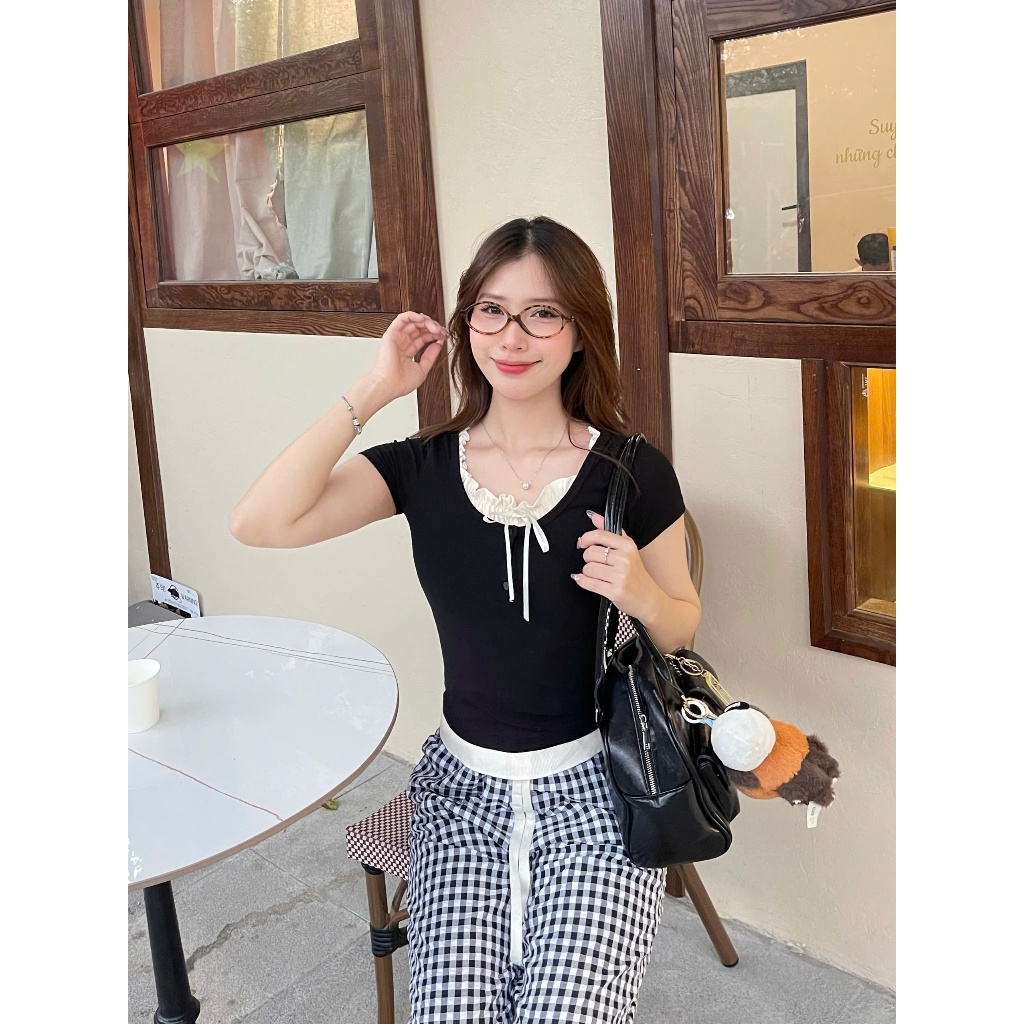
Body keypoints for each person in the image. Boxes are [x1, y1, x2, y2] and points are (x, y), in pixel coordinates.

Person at [230, 216, 701, 1022]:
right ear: (465, 323)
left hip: (598, 789)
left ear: (581, 330)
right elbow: (261, 522)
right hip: (460, 796)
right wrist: (376, 389)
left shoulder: (632, 470)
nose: (512, 336)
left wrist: (643, 596)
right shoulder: (421, 466)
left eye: (543, 313)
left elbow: (681, 626)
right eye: (491, 310)